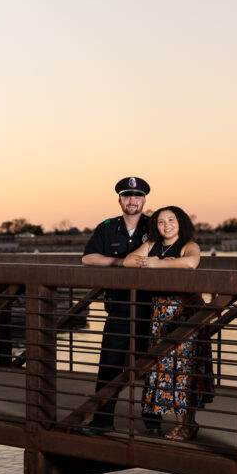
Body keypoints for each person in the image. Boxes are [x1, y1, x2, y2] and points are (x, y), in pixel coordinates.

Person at [124, 205, 207, 441]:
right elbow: (128, 261)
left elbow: (191, 263)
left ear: (180, 222)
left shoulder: (188, 244)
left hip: (187, 313)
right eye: (161, 221)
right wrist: (150, 260)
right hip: (160, 314)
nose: (166, 225)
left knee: (185, 368)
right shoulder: (152, 245)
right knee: (167, 368)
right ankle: (183, 424)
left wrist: (156, 263)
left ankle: (188, 424)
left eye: (171, 220)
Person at [79, 176, 151, 433]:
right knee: (109, 365)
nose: (132, 200)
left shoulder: (154, 226)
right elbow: (88, 258)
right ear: (119, 199)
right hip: (119, 308)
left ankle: (153, 424)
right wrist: (119, 262)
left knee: (152, 368)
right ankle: (102, 421)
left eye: (138, 196)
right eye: (127, 195)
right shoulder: (107, 227)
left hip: (150, 309)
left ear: (144, 199)